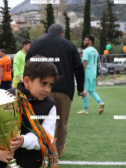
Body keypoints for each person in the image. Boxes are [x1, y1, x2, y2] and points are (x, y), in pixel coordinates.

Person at [26, 23, 86, 160]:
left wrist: (28, 88)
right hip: (64, 91)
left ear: (47, 32)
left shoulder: (36, 44)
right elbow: (79, 68)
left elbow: (27, 65)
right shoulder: (69, 45)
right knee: (61, 124)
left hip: (42, 91)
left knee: (39, 121)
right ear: (63, 34)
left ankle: (38, 149)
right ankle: (55, 154)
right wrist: (81, 89)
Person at [77, 35, 105, 114]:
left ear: (90, 41)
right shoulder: (95, 51)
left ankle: (85, 110)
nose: (84, 41)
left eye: (86, 40)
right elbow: (96, 63)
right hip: (93, 73)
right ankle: (100, 103)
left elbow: (84, 63)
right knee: (92, 90)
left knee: (84, 91)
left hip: (87, 73)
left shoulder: (86, 51)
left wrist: (81, 74)